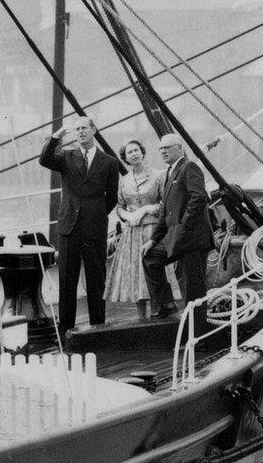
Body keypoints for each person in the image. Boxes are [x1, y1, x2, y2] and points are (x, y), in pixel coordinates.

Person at [39, 117, 120, 331]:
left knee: (96, 278)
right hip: (69, 226)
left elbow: (111, 197)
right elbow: (45, 160)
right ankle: (67, 329)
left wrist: (96, 213)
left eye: (84, 128)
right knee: (67, 279)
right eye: (77, 129)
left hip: (94, 226)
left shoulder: (109, 162)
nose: (81, 132)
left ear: (94, 130)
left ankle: (98, 327)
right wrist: (58, 135)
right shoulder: (66, 157)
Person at [141, 133, 215, 320]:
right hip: (176, 237)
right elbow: (165, 213)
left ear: (180, 148)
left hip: (192, 239)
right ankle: (166, 304)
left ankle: (198, 334)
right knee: (150, 257)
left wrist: (183, 227)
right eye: (160, 148)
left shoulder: (189, 167)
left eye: (167, 147)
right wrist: (152, 240)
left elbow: (198, 198)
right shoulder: (170, 172)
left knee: (193, 288)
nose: (162, 151)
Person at [104, 139, 164, 320]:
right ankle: (141, 318)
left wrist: (147, 209)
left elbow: (165, 203)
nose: (134, 154)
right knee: (136, 275)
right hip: (132, 232)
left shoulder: (158, 175)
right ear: (126, 159)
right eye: (130, 152)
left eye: (136, 150)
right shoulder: (125, 181)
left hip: (152, 229)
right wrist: (128, 216)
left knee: (153, 271)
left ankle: (159, 314)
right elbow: (120, 206)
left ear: (143, 152)